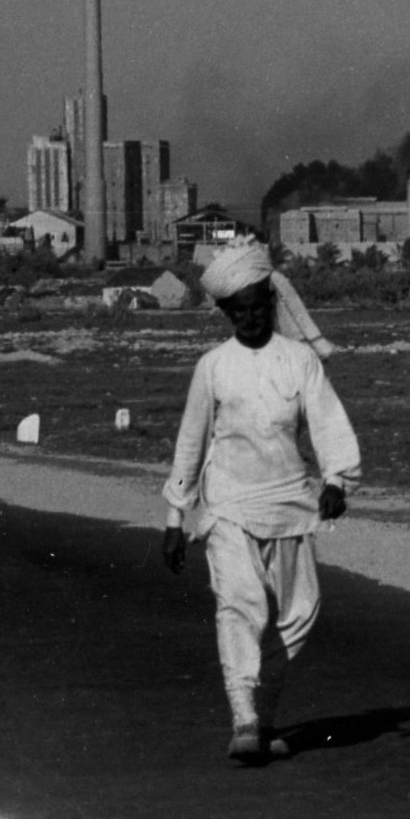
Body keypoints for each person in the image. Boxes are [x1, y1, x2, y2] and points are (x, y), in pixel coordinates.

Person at [161, 239, 359, 765]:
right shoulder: (213, 367)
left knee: (300, 613)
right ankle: (244, 719)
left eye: (257, 306)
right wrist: (174, 518)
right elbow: (191, 440)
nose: (249, 317)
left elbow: (327, 422)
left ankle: (265, 715)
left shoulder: (299, 362)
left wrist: (337, 480)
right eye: (238, 310)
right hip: (227, 505)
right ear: (225, 313)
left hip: (290, 504)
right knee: (241, 605)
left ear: (271, 304)